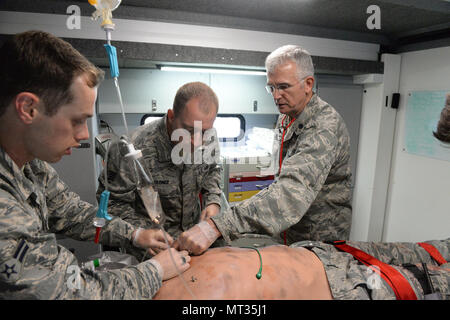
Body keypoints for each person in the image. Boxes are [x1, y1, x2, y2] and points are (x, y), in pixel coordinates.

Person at [0, 30, 190, 299]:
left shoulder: (31, 167)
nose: (84, 135)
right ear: (29, 108)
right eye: (77, 120)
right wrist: (155, 271)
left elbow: (70, 211)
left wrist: (134, 235)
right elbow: (68, 292)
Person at [175, 44, 352, 254]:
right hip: (289, 231)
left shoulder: (324, 126)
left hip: (319, 240)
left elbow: (290, 193)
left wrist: (218, 225)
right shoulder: (286, 118)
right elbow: (281, 179)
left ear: (308, 84)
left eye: (284, 87)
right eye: (272, 87)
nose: (276, 96)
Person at [97, 81, 223, 248]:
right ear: (171, 116)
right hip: (149, 247)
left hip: (193, 240)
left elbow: (212, 170)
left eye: (205, 131)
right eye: (189, 130)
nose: (197, 142)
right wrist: (140, 235)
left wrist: (213, 201)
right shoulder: (130, 148)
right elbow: (112, 206)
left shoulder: (208, 138)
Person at [155, 238, 449, 300]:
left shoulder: (154, 270)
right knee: (428, 279)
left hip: (322, 251)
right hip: (347, 287)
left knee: (420, 250)